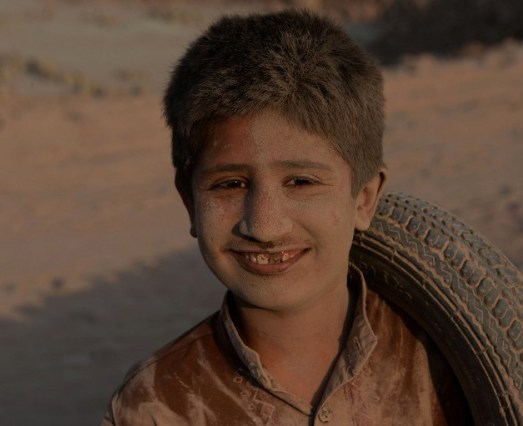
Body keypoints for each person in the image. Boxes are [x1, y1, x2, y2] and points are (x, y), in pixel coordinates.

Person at [101, 9, 471, 425]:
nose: (264, 226)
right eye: (230, 185)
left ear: (365, 198)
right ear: (189, 202)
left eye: (300, 181)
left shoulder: (450, 366)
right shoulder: (155, 405)